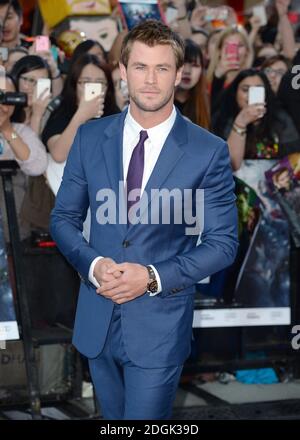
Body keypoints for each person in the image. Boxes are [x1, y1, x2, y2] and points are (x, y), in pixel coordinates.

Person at [50, 20, 238, 420]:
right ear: (122, 71)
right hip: (97, 317)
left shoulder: (208, 151)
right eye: (140, 67)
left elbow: (222, 244)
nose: (150, 80)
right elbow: (64, 219)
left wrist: (151, 276)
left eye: (162, 68)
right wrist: (94, 265)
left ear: (179, 74)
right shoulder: (89, 137)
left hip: (159, 325)